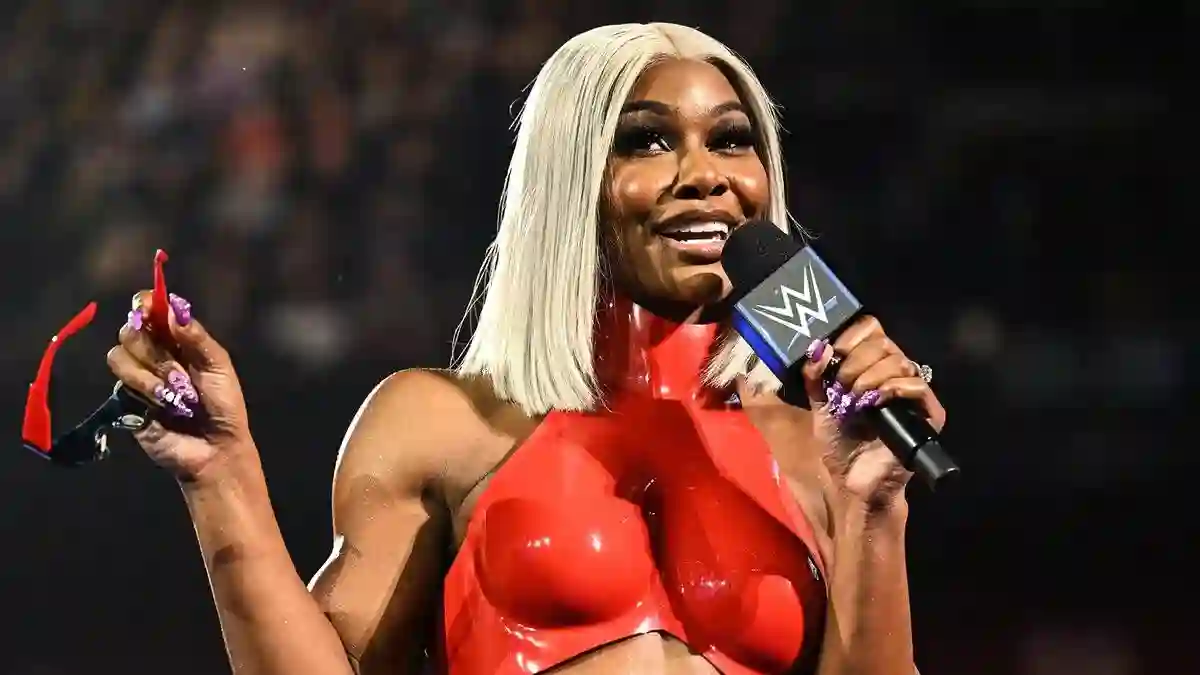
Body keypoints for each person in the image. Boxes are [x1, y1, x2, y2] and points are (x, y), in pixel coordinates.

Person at [105, 23, 945, 675]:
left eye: (731, 138)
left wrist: (873, 506)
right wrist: (221, 477)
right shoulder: (443, 423)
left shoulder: (818, 456)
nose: (705, 173)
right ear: (566, 178)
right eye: (646, 140)